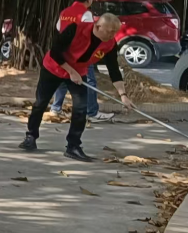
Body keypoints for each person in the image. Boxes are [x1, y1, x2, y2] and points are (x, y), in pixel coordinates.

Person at [19, 13, 134, 162]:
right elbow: (55, 52)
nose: (112, 35)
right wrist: (71, 72)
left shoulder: (110, 44)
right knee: (40, 103)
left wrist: (123, 95)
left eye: (114, 32)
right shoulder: (75, 29)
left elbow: (113, 69)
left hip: (79, 72)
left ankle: (73, 146)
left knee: (80, 108)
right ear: (98, 26)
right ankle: (31, 136)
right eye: (109, 31)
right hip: (54, 68)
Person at [48, 0, 114, 122]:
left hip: (65, 51)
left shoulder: (65, 12)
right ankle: (92, 112)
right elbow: (89, 32)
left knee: (63, 79)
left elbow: (58, 27)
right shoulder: (86, 13)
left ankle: (55, 109)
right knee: (89, 81)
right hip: (81, 52)